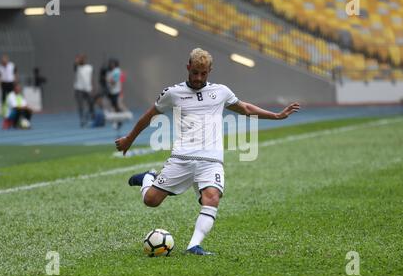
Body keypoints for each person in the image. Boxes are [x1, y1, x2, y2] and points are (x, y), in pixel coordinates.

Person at [114, 48, 300, 255]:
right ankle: (149, 177)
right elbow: (148, 116)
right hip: (182, 158)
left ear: (210, 71)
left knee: (212, 198)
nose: (198, 78)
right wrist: (129, 139)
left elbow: (245, 108)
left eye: (203, 73)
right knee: (151, 201)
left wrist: (276, 116)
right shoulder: (173, 93)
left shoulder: (221, 92)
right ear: (188, 68)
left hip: (211, 160)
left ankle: (194, 245)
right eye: (195, 72)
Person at [74, 54, 94, 127]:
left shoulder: (89, 67)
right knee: (81, 105)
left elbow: (91, 78)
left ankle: (90, 116)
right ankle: (82, 119)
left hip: (88, 89)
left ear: (85, 60)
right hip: (79, 89)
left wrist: (92, 88)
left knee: (91, 103)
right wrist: (77, 60)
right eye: (80, 59)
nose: (82, 60)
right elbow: (75, 65)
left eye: (83, 59)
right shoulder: (77, 67)